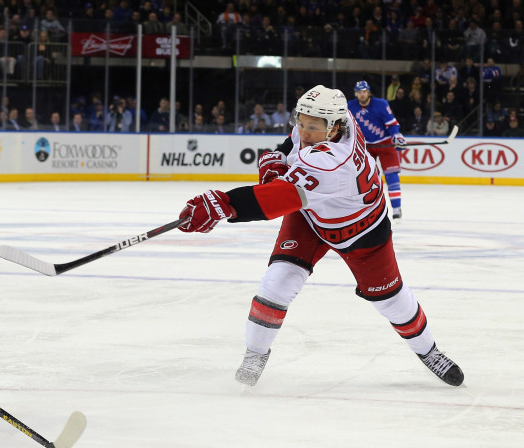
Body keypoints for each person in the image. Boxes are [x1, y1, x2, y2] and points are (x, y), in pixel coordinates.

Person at [177, 85, 464, 389]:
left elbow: (274, 198)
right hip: (311, 214)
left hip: (361, 229)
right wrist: (280, 154)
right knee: (276, 283)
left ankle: (429, 351)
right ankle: (255, 352)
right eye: (300, 122)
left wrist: (222, 204)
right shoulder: (340, 117)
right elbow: (292, 144)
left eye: (312, 127)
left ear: (334, 127)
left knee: (393, 302)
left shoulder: (330, 162)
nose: (304, 132)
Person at [348, 81, 406, 220]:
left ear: (368, 92)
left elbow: (391, 123)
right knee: (365, 177)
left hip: (385, 143)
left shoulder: (381, 104)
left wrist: (397, 136)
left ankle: (396, 207)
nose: (362, 94)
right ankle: (367, 208)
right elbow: (348, 127)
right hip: (366, 146)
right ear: (356, 93)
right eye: (359, 92)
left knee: (392, 176)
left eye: (364, 91)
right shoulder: (350, 106)